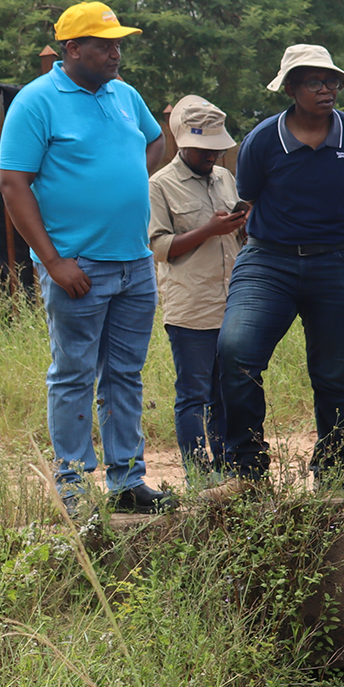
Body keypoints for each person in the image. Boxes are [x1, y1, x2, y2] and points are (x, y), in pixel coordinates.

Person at [0, 2, 172, 512]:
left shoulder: (125, 95)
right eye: (104, 46)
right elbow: (12, 184)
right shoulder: (37, 101)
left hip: (135, 262)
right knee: (73, 374)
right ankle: (73, 487)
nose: (115, 54)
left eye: (118, 45)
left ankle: (127, 483)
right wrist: (53, 261)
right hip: (78, 267)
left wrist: (125, 180)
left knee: (125, 375)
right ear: (72, 49)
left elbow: (155, 141)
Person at [220, 44, 344, 485]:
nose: (327, 89)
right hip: (269, 260)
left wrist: (333, 240)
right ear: (290, 89)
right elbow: (249, 199)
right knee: (235, 351)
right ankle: (248, 469)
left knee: (334, 373)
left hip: (340, 261)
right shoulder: (262, 140)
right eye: (314, 82)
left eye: (332, 81)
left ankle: (332, 469)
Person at [148, 95, 244, 479]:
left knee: (228, 392)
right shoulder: (160, 185)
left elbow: (238, 239)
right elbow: (159, 247)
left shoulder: (225, 178)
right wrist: (209, 230)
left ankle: (227, 470)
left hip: (233, 302)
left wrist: (242, 225)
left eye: (216, 148)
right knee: (193, 395)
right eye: (204, 149)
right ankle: (199, 476)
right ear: (182, 143)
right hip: (191, 306)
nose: (212, 155)